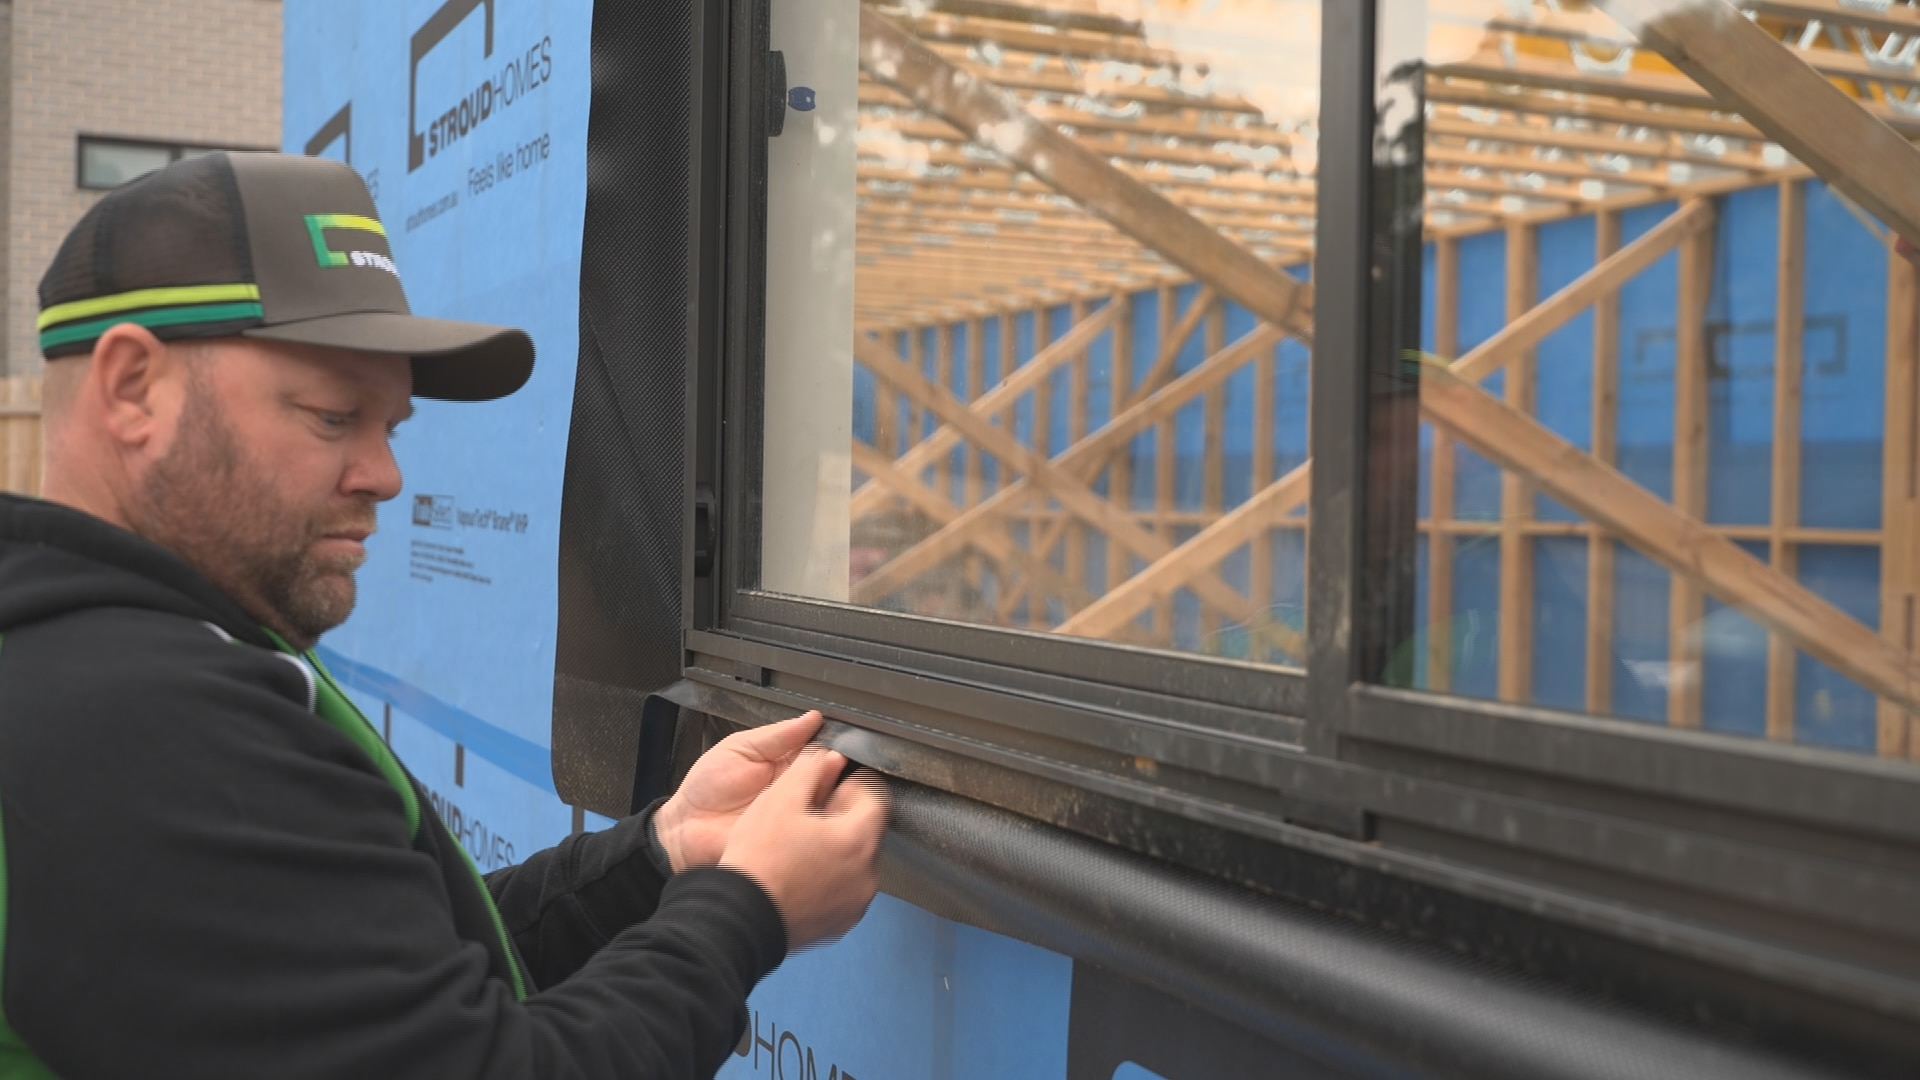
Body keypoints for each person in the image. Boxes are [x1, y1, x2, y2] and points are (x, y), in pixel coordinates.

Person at [0, 151, 888, 1078]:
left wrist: (662, 856)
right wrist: (747, 910)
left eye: (392, 427)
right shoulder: (133, 721)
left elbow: (379, 983)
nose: (385, 475)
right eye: (333, 416)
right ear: (134, 388)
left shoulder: (122, 653)